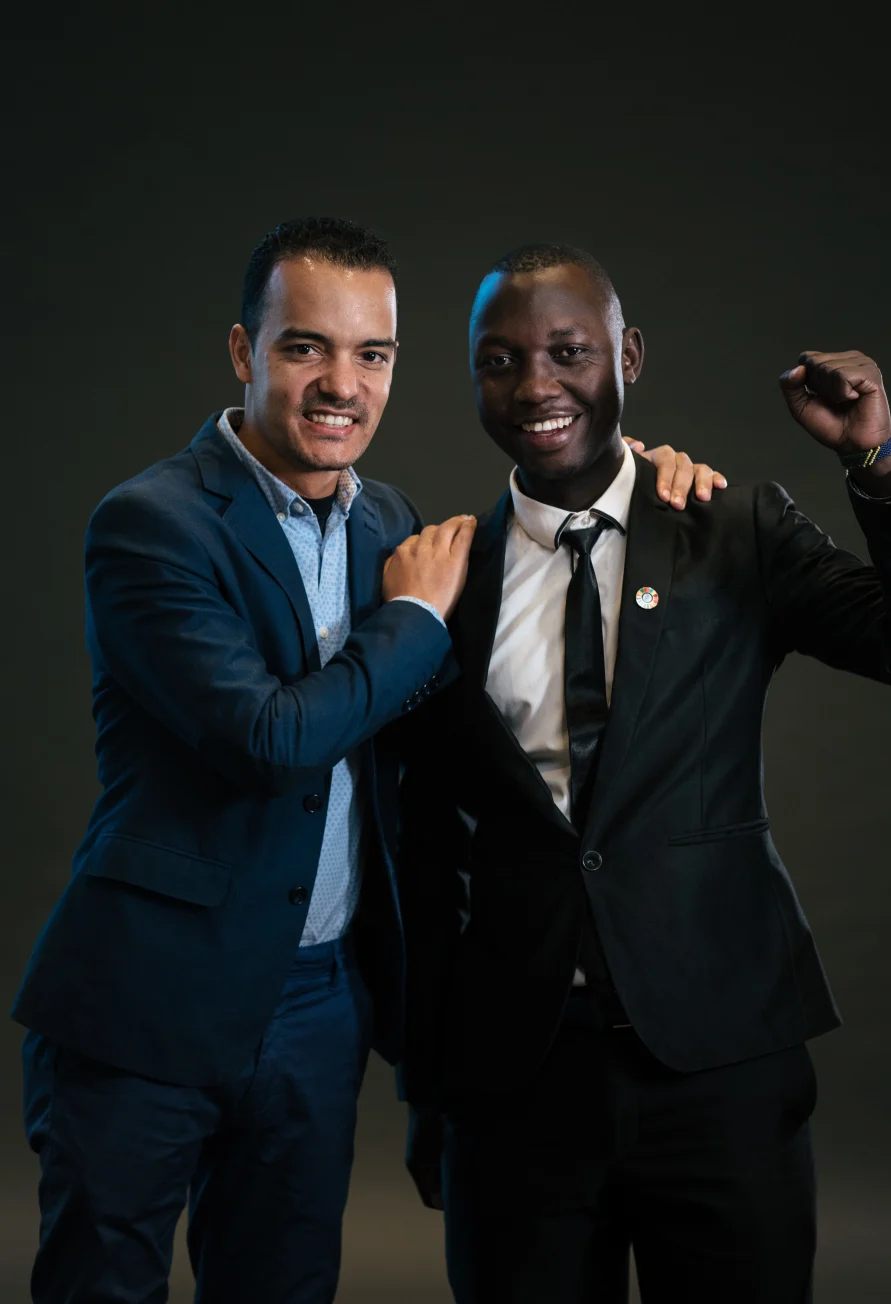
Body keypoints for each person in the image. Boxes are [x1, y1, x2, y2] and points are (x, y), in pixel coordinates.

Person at [11, 217, 722, 1304]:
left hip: (318, 1006)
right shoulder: (152, 525)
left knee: (284, 1286)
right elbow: (271, 739)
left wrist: (651, 474)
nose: (342, 382)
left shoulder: (390, 522)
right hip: (150, 1001)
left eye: (373, 353)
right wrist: (409, 625)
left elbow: (451, 749)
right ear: (246, 353)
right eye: (306, 347)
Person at [397, 243, 891, 1304]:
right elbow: (426, 853)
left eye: (569, 351)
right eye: (500, 359)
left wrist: (878, 459)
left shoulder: (730, 528)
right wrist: (430, 1085)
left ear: (628, 356)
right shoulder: (445, 579)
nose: (536, 384)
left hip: (719, 1069)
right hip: (518, 1085)